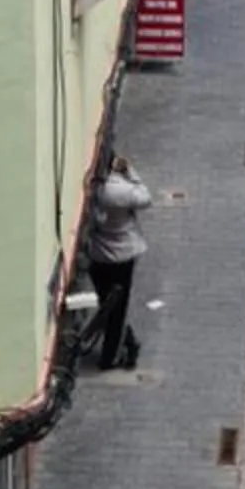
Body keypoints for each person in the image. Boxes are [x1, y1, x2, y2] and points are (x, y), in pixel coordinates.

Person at [83, 153, 151, 371]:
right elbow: (145, 197)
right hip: (121, 255)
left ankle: (125, 340)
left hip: (97, 253)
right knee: (117, 306)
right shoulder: (119, 190)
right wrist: (130, 172)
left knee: (106, 302)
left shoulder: (90, 188)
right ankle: (112, 355)